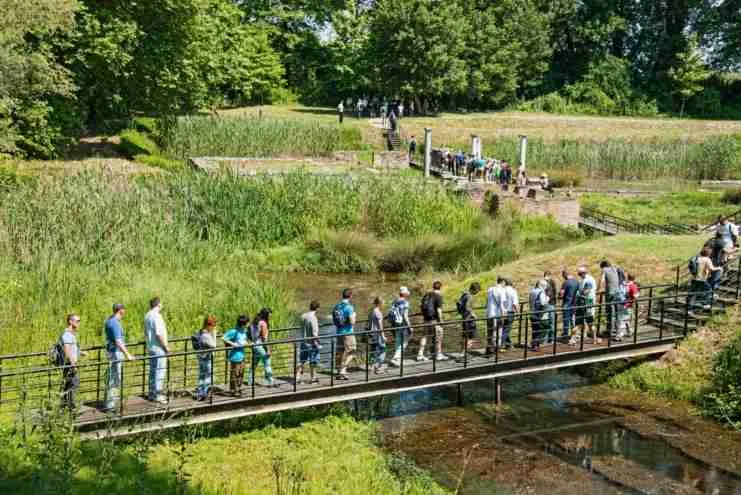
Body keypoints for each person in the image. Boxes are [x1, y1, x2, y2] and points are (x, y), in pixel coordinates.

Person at [104, 303, 134, 412]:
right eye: (123, 309)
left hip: (111, 352)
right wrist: (128, 354)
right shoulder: (115, 323)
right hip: (115, 353)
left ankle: (110, 403)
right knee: (115, 379)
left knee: (112, 378)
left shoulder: (109, 320)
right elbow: (118, 341)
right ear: (121, 310)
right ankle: (111, 406)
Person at [144, 297, 169, 404]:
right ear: (158, 305)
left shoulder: (147, 315)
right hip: (159, 348)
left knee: (153, 371)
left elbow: (146, 333)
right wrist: (166, 347)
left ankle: (152, 394)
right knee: (160, 371)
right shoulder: (157, 316)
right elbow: (159, 334)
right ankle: (158, 395)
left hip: (151, 347)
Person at [60, 313, 85, 411]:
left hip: (70, 364)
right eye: (77, 321)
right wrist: (73, 365)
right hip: (70, 365)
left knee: (68, 385)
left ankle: (64, 406)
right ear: (70, 321)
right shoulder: (67, 334)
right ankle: (71, 408)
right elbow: (67, 350)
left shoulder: (70, 334)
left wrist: (80, 352)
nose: (79, 323)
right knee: (73, 385)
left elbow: (71, 348)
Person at [223, 315, 250, 396]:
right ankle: (233, 391)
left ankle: (239, 389)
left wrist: (246, 343)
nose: (248, 324)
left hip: (242, 355)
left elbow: (244, 340)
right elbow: (224, 338)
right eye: (247, 323)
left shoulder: (244, 331)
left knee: (241, 373)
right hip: (235, 356)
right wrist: (233, 344)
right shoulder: (234, 331)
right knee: (234, 374)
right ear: (243, 324)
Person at [421, 280, 448, 361]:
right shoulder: (438, 296)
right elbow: (439, 310)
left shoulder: (427, 295)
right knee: (439, 337)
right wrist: (441, 320)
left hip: (426, 319)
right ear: (440, 287)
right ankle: (438, 355)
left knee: (424, 336)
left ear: (433, 286)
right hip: (435, 320)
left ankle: (420, 354)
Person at [598, 260, 624, 340]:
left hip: (610, 294)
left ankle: (609, 330)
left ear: (603, 266)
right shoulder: (615, 268)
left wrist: (598, 289)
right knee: (617, 314)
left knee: (609, 312)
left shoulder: (604, 270)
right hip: (618, 293)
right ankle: (618, 333)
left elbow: (601, 280)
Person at [334, 288, 357, 380]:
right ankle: (343, 370)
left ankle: (338, 371)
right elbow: (352, 322)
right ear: (350, 296)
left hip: (339, 332)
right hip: (348, 332)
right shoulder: (349, 307)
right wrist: (354, 315)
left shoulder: (337, 306)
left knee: (340, 352)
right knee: (352, 351)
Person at [250, 308, 276, 387]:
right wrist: (268, 350)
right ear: (266, 315)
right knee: (267, 362)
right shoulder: (263, 324)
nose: (270, 316)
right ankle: (271, 381)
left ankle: (250, 380)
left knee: (254, 363)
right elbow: (264, 339)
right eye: (269, 314)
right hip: (260, 345)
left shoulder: (255, 322)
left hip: (254, 345)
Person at [572, 267, 599, 345]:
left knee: (590, 323)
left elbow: (586, 292)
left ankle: (594, 339)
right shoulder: (584, 280)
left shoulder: (588, 280)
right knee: (580, 323)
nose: (578, 275)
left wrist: (579, 294)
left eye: (579, 273)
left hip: (587, 305)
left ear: (583, 273)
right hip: (583, 304)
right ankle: (573, 339)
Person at [297, 301, 321, 384]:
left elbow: (301, 328)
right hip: (311, 343)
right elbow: (315, 333)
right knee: (313, 360)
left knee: (302, 360)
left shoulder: (303, 316)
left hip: (303, 341)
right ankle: (313, 377)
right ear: (317, 308)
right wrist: (317, 343)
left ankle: (297, 377)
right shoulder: (313, 318)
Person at [195, 315, 217, 401]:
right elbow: (214, 345)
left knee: (201, 375)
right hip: (206, 358)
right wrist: (214, 334)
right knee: (208, 375)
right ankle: (204, 393)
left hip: (201, 356)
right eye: (214, 325)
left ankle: (200, 393)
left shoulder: (201, 332)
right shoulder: (206, 335)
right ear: (209, 325)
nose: (214, 327)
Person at [389, 287, 413, 365]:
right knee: (405, 342)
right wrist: (410, 326)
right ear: (405, 294)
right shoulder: (405, 302)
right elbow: (405, 316)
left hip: (395, 324)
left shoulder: (394, 301)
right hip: (403, 324)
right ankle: (396, 358)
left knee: (398, 341)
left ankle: (397, 359)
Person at [485, 277, 506, 355]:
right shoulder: (502, 290)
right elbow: (501, 305)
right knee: (498, 332)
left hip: (489, 314)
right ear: (502, 282)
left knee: (490, 332)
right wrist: (503, 315)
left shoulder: (490, 289)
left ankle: (488, 349)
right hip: (497, 315)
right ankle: (496, 350)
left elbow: (487, 302)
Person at [457, 282, 481, 350]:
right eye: (478, 291)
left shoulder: (464, 294)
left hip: (464, 317)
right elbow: (467, 307)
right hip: (469, 319)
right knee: (470, 336)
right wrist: (473, 314)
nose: (477, 292)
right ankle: (465, 352)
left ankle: (463, 351)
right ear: (475, 289)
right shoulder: (469, 296)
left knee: (465, 336)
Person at [529, 280, 550, 351]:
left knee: (535, 330)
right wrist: (547, 299)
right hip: (539, 315)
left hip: (532, 313)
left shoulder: (532, 291)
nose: (546, 287)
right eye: (546, 286)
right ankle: (535, 344)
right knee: (543, 329)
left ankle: (535, 345)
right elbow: (543, 303)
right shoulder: (541, 292)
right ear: (542, 285)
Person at [368, 297, 387, 373]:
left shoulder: (371, 311)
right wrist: (383, 336)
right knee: (383, 349)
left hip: (371, 334)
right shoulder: (378, 312)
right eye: (383, 303)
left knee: (372, 350)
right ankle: (379, 367)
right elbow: (380, 325)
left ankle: (371, 366)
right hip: (377, 334)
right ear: (380, 303)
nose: (384, 304)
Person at [560, 270, 580, 341]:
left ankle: (565, 335)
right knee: (573, 321)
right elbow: (578, 293)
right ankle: (575, 335)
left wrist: (560, 295)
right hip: (574, 304)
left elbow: (561, 294)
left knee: (566, 321)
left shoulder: (565, 283)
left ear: (565, 275)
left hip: (566, 305)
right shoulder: (576, 282)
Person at [501, 279, 519, 350]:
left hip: (502, 312)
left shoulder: (502, 290)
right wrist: (518, 312)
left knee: (504, 328)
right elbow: (515, 303)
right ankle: (501, 344)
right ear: (511, 284)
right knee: (507, 329)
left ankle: (509, 344)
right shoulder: (513, 291)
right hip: (510, 312)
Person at [621, 274, 640, 338]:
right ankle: (627, 332)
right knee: (626, 319)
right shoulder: (632, 286)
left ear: (628, 278)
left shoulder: (624, 285)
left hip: (623, 304)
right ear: (634, 278)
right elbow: (636, 296)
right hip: (628, 305)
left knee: (624, 318)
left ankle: (627, 332)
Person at [543, 271, 558, 343]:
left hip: (550, 304)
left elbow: (553, 293)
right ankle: (547, 339)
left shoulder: (551, 283)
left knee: (550, 322)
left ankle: (550, 339)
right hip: (549, 305)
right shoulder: (544, 283)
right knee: (548, 322)